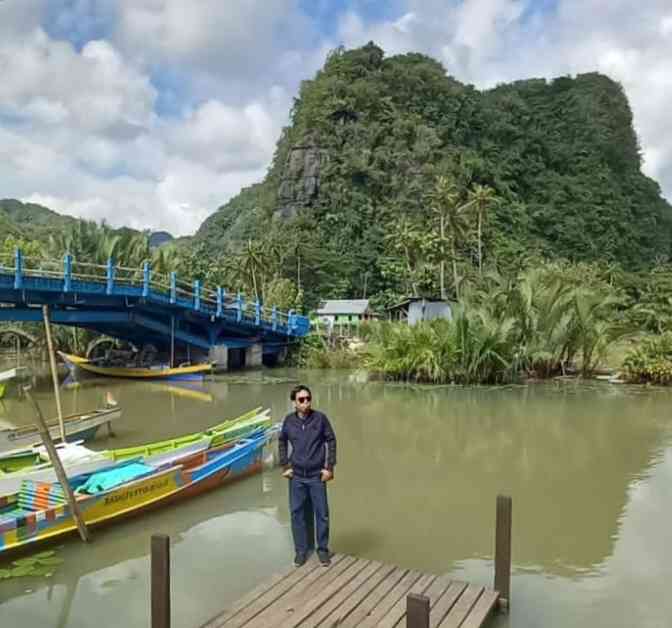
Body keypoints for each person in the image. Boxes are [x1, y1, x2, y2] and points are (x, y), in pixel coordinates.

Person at [278, 384, 337, 567]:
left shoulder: (320, 419)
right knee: (297, 514)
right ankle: (301, 551)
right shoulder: (289, 421)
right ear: (294, 403)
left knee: (322, 514)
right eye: (301, 400)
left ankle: (322, 550)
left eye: (308, 399)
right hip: (296, 476)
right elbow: (282, 441)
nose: (306, 403)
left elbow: (331, 440)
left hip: (316, 476)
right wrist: (285, 465)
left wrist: (329, 467)